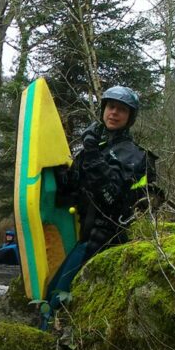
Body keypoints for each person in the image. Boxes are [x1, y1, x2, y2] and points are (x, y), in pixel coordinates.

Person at [43, 85, 161, 324]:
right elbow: (68, 188)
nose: (114, 113)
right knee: (51, 294)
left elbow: (112, 195)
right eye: (110, 107)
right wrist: (52, 163)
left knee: (57, 300)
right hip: (84, 236)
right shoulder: (95, 147)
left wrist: (90, 152)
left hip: (108, 240)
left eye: (121, 110)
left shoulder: (135, 155)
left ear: (130, 118)